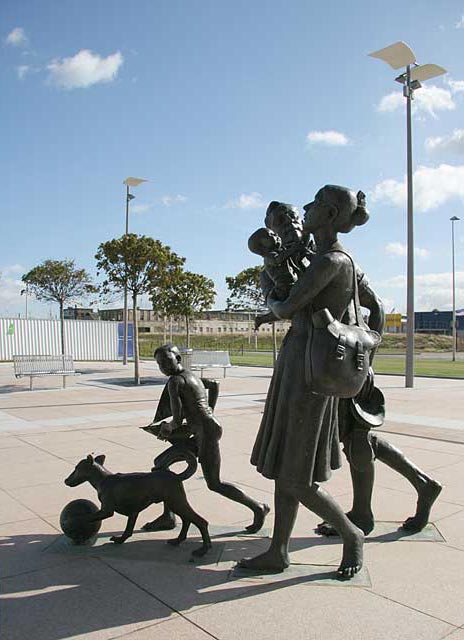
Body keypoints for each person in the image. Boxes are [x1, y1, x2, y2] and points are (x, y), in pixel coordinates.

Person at [239, 185, 372, 579]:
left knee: (297, 476)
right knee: (287, 465)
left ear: (328, 215)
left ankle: (352, 536)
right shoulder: (321, 258)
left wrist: (268, 287)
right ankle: (278, 550)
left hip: (308, 370)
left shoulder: (329, 261)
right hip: (302, 362)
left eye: (314, 204)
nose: (307, 208)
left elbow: (285, 306)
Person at [142, 344, 269, 533]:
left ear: (178, 359)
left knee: (214, 483)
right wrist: (209, 411)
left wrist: (165, 429)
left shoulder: (175, 382)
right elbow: (213, 384)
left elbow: (176, 421)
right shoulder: (189, 375)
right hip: (204, 429)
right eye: (160, 364)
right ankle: (168, 516)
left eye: (167, 361)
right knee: (161, 464)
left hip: (205, 433)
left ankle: (258, 507)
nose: (164, 367)